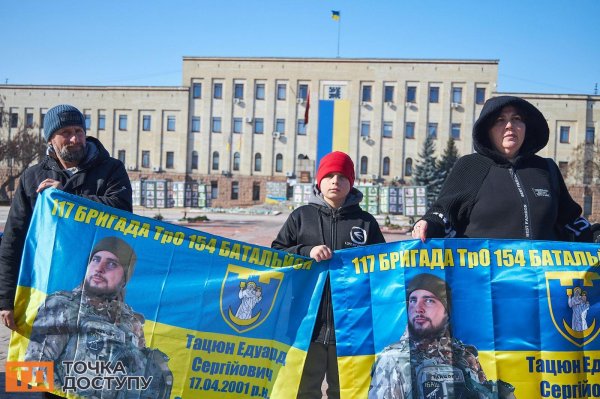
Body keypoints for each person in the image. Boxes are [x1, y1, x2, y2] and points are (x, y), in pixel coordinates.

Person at [0, 104, 133, 331]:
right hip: (43, 289)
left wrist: (68, 198)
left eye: (79, 131)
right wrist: (5, 299)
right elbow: (14, 239)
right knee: (39, 361)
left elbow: (122, 213)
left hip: (98, 295)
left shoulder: (111, 169)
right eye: (66, 133)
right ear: (51, 139)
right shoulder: (33, 177)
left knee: (93, 362)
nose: (75, 139)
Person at [272, 151, 386, 399]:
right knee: (305, 389)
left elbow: (382, 266)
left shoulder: (365, 222)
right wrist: (306, 251)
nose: (336, 181)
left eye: (343, 177)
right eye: (330, 175)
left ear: (351, 183)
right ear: (319, 181)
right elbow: (277, 254)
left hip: (350, 326)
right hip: (307, 323)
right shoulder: (301, 217)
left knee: (345, 391)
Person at [412, 96, 592, 243]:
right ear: (487, 130)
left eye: (516, 119)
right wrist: (429, 224)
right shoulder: (470, 166)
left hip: (542, 281)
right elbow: (444, 213)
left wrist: (595, 235)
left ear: (525, 127)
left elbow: (572, 221)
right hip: (484, 281)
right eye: (500, 120)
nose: (509, 126)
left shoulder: (546, 168)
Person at [25, 236, 173, 399]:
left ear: (124, 278)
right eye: (95, 260)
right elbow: (34, 367)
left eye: (112, 264)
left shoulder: (130, 319)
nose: (99, 268)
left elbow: (138, 372)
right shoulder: (62, 305)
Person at [369, 273, 516, 399]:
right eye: (413, 300)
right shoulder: (392, 358)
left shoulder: (464, 354)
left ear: (447, 310)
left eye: (428, 300)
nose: (418, 309)